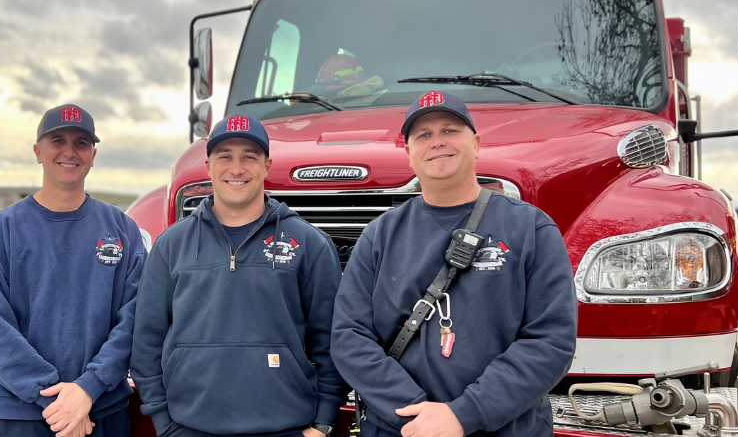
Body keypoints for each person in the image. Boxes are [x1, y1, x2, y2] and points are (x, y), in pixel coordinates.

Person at [331, 91, 577, 437]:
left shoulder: (531, 229)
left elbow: (551, 341)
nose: (437, 143)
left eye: (450, 131)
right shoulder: (380, 234)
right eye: (424, 135)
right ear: (409, 151)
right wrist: (416, 415)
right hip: (402, 429)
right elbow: (349, 336)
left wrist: (465, 414)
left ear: (476, 143)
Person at [131, 115, 347, 437]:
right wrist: (164, 422)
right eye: (225, 156)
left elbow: (331, 342)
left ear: (267, 165)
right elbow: (146, 340)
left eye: (249, 156)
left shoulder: (310, 245)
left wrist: (323, 423)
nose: (236, 168)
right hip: (188, 428)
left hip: (287, 428)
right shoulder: (171, 245)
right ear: (208, 166)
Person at [0, 104, 145, 437]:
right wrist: (53, 398)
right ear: (38, 151)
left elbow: (135, 318)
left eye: (81, 143)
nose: (69, 151)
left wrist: (88, 389)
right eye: (57, 141)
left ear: (93, 155)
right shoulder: (3, 229)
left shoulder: (122, 229)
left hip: (101, 410)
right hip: (19, 415)